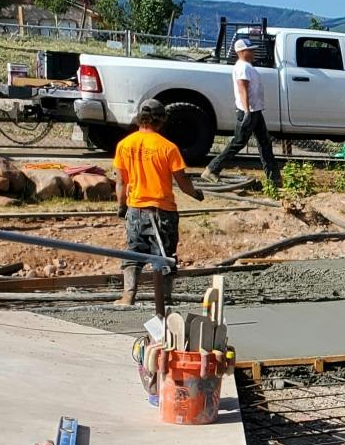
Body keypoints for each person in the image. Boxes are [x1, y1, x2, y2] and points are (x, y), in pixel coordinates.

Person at [113, 99, 203, 308]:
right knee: (165, 255)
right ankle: (164, 299)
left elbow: (120, 182)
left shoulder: (124, 145)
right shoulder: (168, 147)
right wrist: (196, 194)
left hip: (136, 209)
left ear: (140, 118)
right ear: (161, 120)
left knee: (133, 253)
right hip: (164, 212)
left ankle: (128, 296)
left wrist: (122, 206)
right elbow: (182, 183)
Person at [203, 34, 283, 187]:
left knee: (264, 142)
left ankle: (274, 179)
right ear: (240, 52)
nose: (253, 53)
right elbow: (242, 89)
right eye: (249, 50)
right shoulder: (243, 67)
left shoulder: (246, 66)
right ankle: (212, 169)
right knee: (239, 142)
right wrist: (247, 111)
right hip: (250, 111)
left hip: (255, 111)